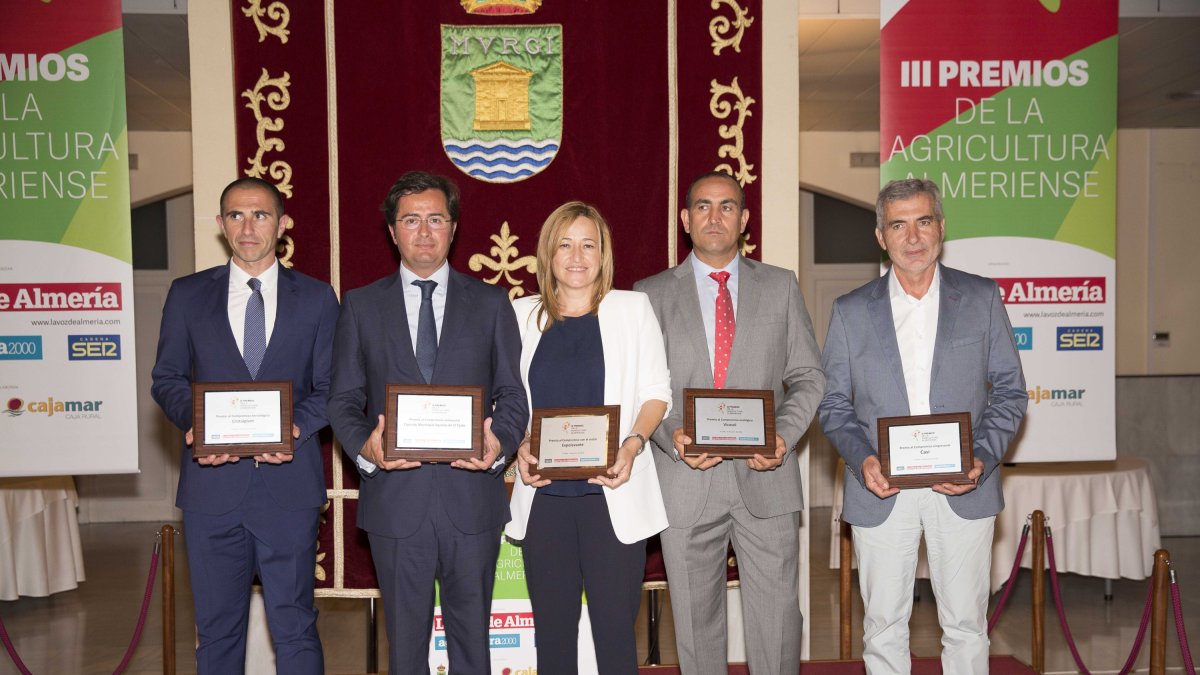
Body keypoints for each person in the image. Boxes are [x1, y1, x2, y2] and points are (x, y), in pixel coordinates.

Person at [818, 178, 1028, 674]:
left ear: (941, 227)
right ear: (880, 235)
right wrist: (862, 458)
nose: (913, 237)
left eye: (923, 221)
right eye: (899, 224)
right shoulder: (850, 311)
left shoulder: (980, 298)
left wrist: (981, 457)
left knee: (965, 625)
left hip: (964, 485)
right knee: (884, 625)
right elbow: (832, 403)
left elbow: (1011, 391)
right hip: (881, 487)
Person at [326, 170, 528, 674]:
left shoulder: (490, 303)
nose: (423, 231)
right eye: (410, 220)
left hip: (471, 501)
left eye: (435, 219)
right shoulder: (360, 306)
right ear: (392, 231)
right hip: (396, 507)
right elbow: (343, 400)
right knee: (406, 651)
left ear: (453, 228)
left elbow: (513, 396)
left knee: (473, 651)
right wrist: (366, 450)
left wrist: (496, 446)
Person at [633, 171, 825, 675]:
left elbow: (807, 377)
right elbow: (642, 388)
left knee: (778, 620)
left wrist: (781, 436)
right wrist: (671, 436)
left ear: (743, 219)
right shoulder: (648, 295)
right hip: (685, 478)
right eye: (702, 206)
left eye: (726, 207)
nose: (713, 217)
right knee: (696, 626)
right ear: (685, 219)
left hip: (767, 478)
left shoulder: (780, 285)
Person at [151, 176, 339, 674]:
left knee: (295, 625)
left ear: (283, 224)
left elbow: (332, 388)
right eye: (236, 215)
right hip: (212, 489)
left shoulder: (318, 298)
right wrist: (195, 424)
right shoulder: (188, 295)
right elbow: (167, 378)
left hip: (288, 487)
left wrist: (293, 430)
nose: (248, 226)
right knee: (216, 629)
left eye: (260, 214)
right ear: (220, 225)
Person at [505, 202, 671, 673]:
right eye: (565, 244)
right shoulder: (519, 315)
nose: (577, 256)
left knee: (615, 637)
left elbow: (656, 393)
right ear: (548, 254)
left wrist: (633, 445)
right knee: (552, 637)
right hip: (545, 500)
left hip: (612, 495)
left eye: (588, 244)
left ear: (603, 254)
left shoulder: (632, 309)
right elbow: (508, 400)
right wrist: (520, 444)